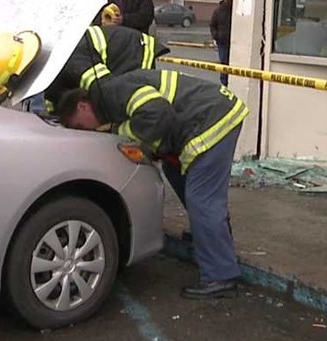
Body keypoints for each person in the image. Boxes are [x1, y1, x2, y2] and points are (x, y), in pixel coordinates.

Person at [56, 69, 248, 299]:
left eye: (79, 126)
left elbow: (157, 113)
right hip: (213, 112)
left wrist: (120, 132)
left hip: (212, 119)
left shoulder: (113, 94)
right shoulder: (110, 101)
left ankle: (221, 275)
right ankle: (211, 235)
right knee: (175, 172)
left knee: (202, 199)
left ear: (82, 106)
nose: (84, 131)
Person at [42, 24, 171, 113]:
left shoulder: (73, 60)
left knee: (136, 101)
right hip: (117, 53)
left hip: (134, 50)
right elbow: (53, 102)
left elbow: (104, 89)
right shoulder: (49, 75)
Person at [209, 0, 233, 86]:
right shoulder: (218, 11)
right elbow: (212, 25)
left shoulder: (236, 10)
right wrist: (216, 36)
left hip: (234, 42)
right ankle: (224, 84)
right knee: (224, 63)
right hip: (222, 42)